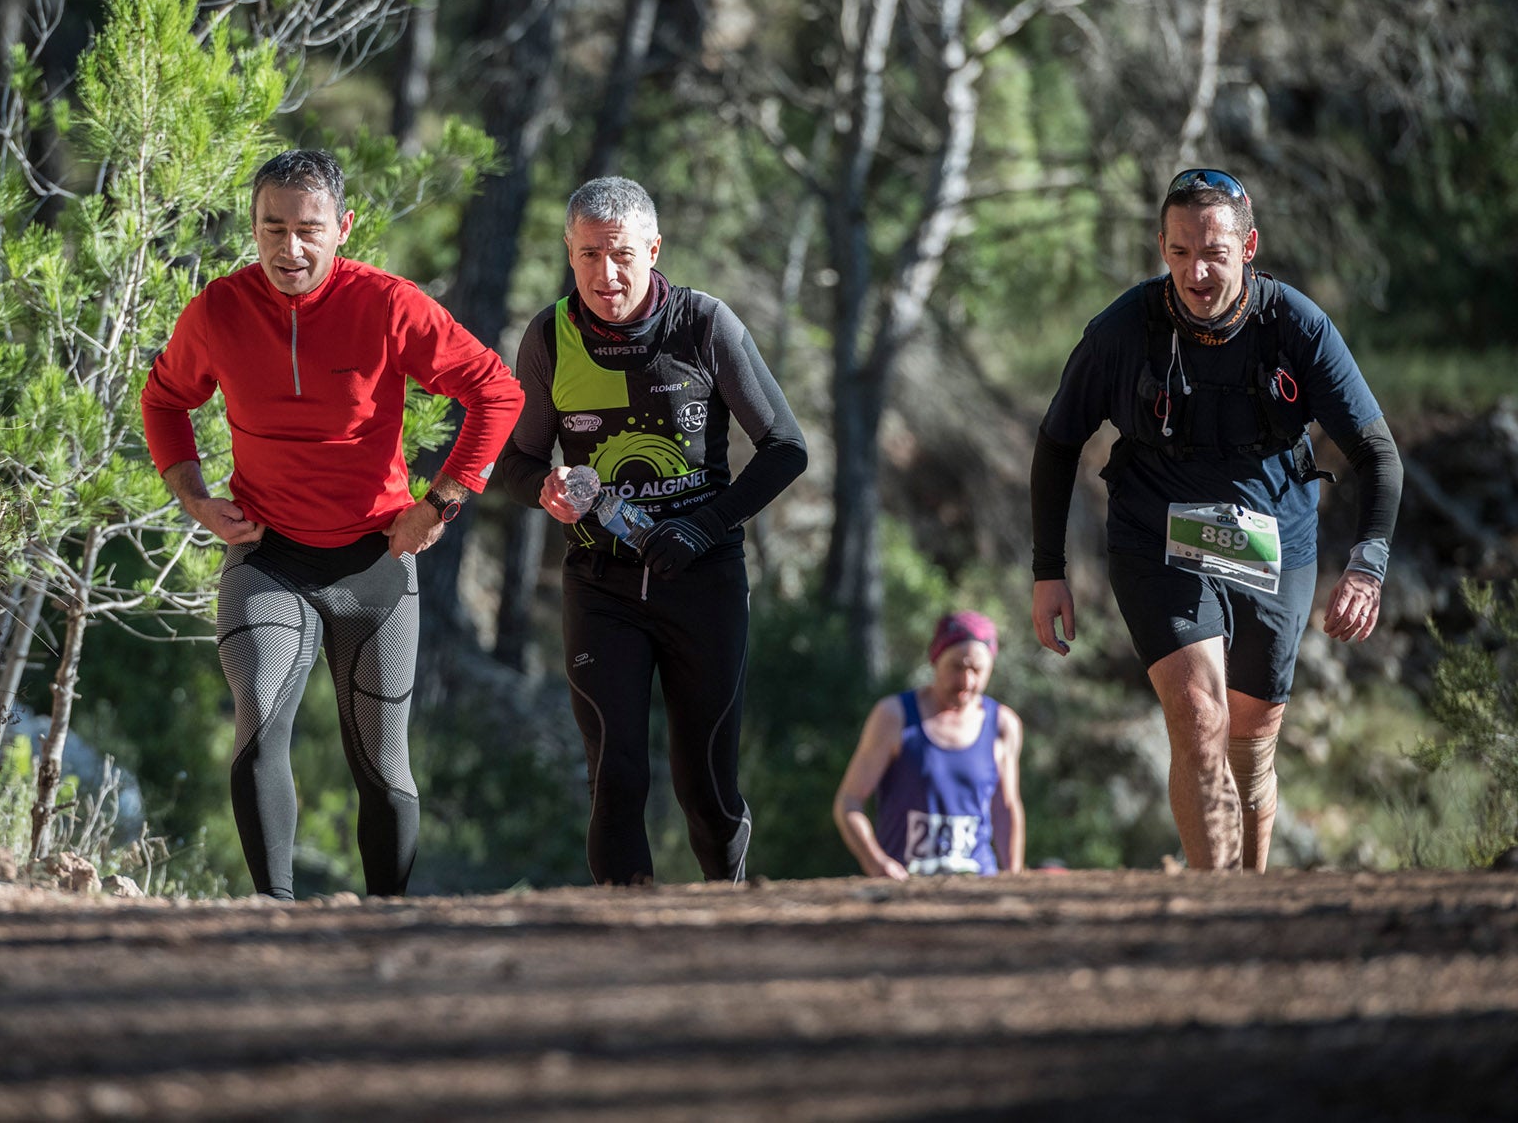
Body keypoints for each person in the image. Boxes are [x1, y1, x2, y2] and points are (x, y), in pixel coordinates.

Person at [139, 149, 523, 900]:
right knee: (257, 718)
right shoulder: (219, 310)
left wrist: (440, 502)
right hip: (268, 555)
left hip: (374, 562)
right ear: (252, 228)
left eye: (309, 229)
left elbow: (497, 391)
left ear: (342, 227)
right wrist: (191, 494)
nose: (290, 248)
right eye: (272, 228)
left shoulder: (387, 305)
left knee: (382, 764)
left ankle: (385, 928)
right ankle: (274, 920)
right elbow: (164, 400)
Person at [1029, 167, 1401, 872]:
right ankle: (1211, 898)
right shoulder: (1122, 331)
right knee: (1200, 718)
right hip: (1156, 535)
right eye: (1178, 252)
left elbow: (1378, 454)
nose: (1195, 271)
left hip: (1275, 538)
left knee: (1251, 747)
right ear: (1161, 247)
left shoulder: (1295, 326)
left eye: (1213, 252)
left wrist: (1367, 564)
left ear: (1249, 245)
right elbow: (1056, 441)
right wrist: (1049, 569)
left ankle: (1250, 891)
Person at [492, 176, 807, 885]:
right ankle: (622, 937)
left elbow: (787, 446)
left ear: (654, 248)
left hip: (704, 581)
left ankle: (722, 920)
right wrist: (544, 489)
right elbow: (512, 461)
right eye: (589, 254)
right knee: (618, 774)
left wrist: (702, 527)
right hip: (600, 585)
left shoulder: (703, 324)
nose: (607, 273)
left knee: (706, 786)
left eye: (623, 253)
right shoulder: (549, 336)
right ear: (568, 253)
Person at [833, 611, 1026, 878]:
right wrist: (877, 863)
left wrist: (1013, 876)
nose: (967, 682)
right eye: (957, 667)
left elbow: (1006, 806)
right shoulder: (894, 716)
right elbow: (849, 800)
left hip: (979, 884)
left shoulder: (1003, 725)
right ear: (935, 659)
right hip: (906, 884)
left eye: (977, 670)